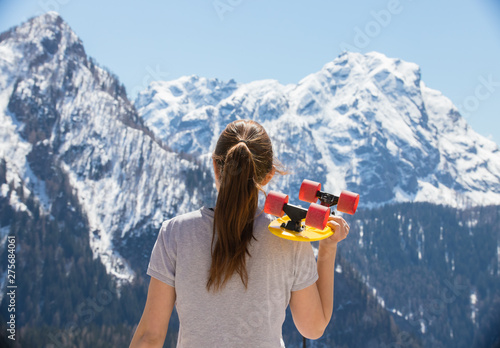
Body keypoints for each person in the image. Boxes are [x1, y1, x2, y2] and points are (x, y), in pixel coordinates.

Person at [129, 119, 350, 348]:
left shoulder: (175, 234)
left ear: (215, 166)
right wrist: (328, 246)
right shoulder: (290, 238)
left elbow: (149, 339)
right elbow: (312, 327)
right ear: (268, 176)